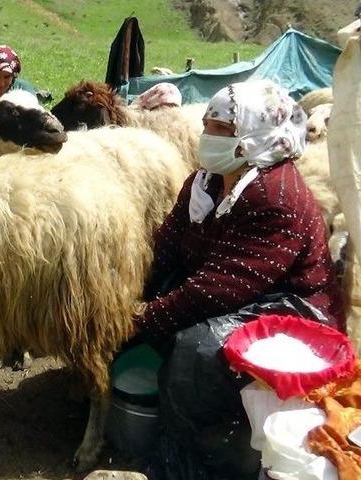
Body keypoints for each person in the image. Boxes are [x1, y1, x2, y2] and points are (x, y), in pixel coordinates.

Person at [132, 79, 346, 479]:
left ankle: (206, 460)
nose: (206, 136)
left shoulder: (274, 196)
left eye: (221, 129)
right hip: (236, 290)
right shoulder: (206, 182)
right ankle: (179, 412)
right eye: (207, 125)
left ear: (253, 137)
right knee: (162, 300)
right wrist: (130, 294)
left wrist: (143, 318)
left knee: (197, 351)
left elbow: (220, 287)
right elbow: (167, 245)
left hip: (295, 310)